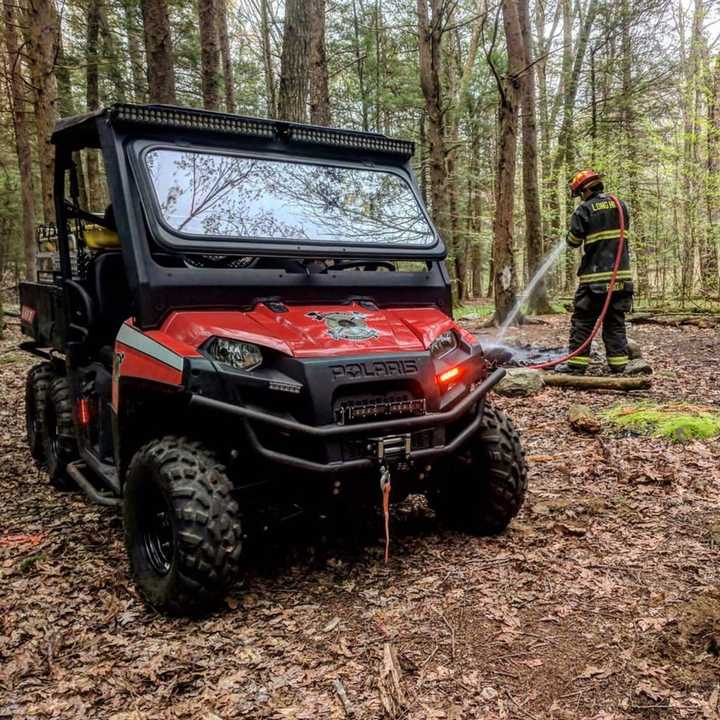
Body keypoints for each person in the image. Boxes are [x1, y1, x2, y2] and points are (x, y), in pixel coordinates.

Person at [555, 169, 633, 375]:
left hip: (594, 281)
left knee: (583, 321)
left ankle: (576, 366)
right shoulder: (620, 205)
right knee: (614, 322)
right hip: (621, 279)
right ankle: (618, 365)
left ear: (585, 190)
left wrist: (570, 233)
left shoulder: (584, 210)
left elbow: (573, 242)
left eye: (580, 192)